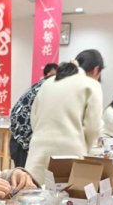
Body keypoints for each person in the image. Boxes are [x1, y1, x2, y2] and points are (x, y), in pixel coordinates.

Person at [25, 51, 104, 183]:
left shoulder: (48, 82)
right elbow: (93, 128)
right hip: (70, 154)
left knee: (35, 193)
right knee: (67, 196)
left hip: (37, 153)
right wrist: (85, 148)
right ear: (96, 70)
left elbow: (34, 119)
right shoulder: (92, 85)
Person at [9, 63, 58, 168]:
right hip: (22, 141)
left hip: (19, 138)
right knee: (24, 176)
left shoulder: (43, 85)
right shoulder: (48, 87)